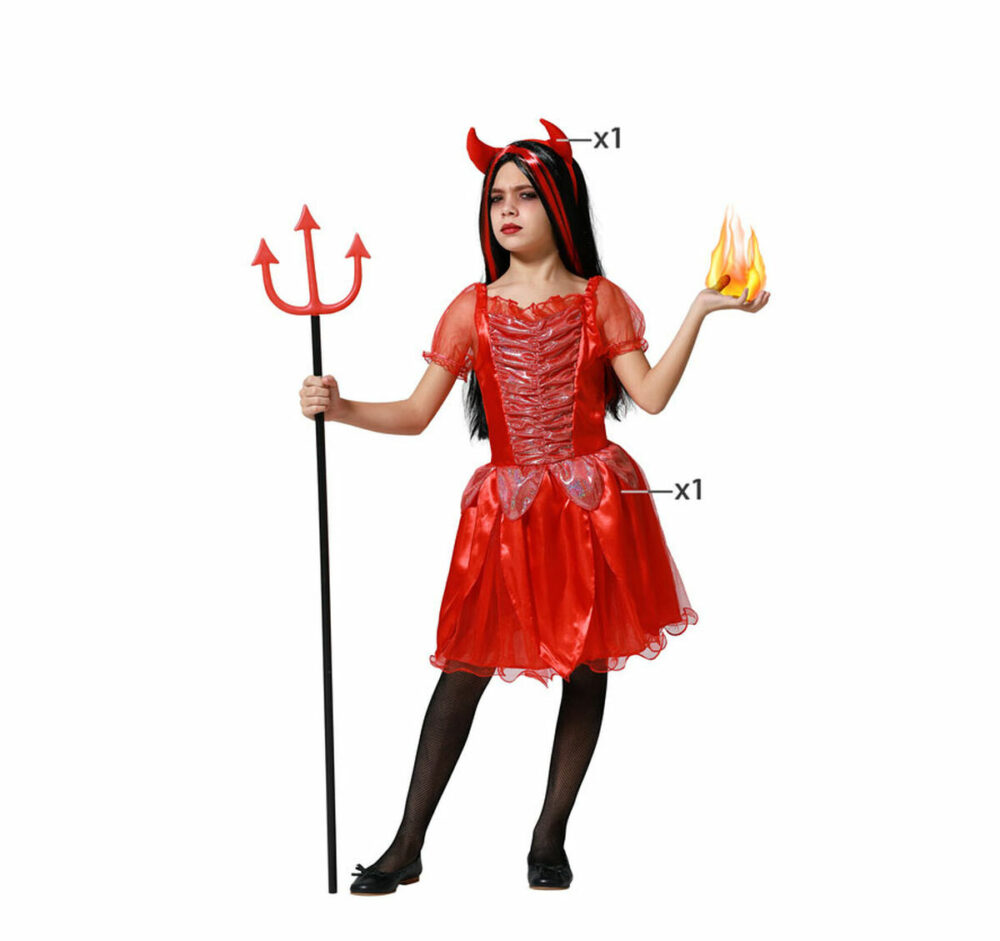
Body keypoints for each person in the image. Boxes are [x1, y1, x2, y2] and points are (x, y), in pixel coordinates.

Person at [299, 119, 770, 894]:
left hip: (593, 504)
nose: (507, 211)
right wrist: (340, 407)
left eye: (524, 195)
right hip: (508, 509)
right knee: (464, 667)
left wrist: (700, 309)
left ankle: (549, 838)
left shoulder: (600, 300)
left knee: (587, 663)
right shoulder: (472, 308)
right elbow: (416, 414)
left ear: (561, 203)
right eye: (496, 199)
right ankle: (406, 844)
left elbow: (649, 397)